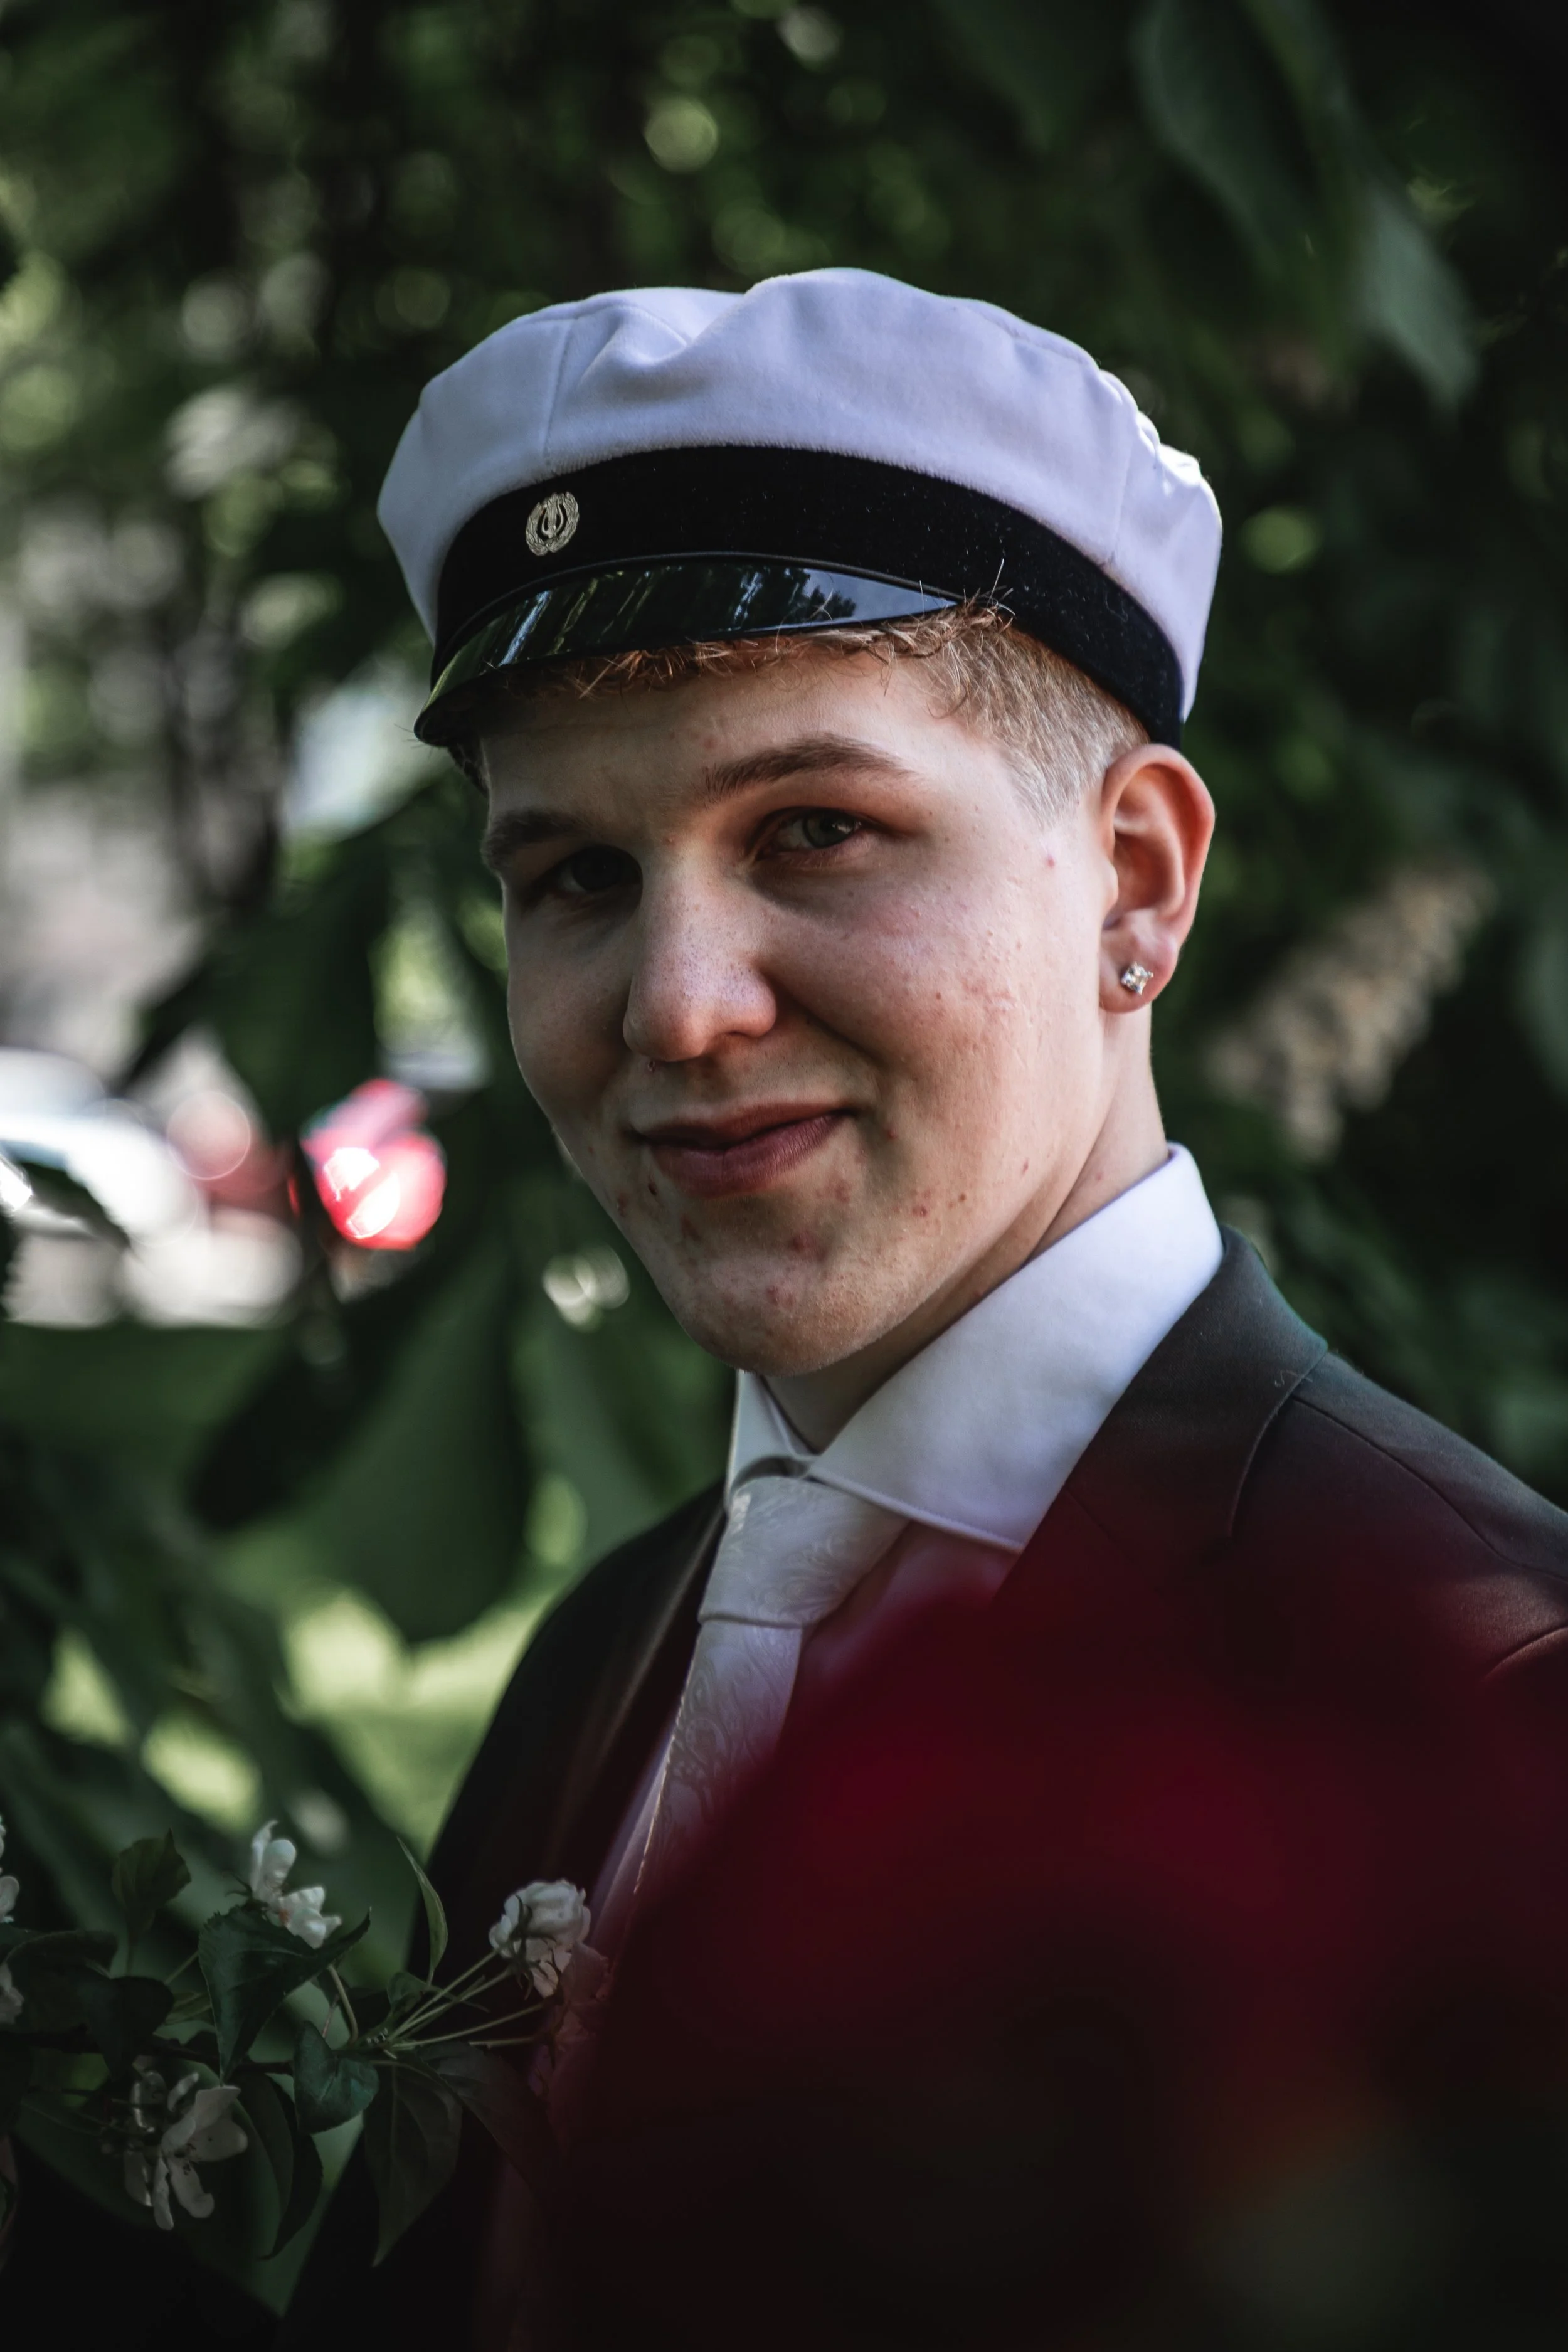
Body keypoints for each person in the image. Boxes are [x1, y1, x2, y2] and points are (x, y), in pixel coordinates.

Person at [281, 270, 1568, 2349]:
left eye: (816, 829)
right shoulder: (609, 1645)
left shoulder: (1488, 1705)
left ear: (1134, 881)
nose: (678, 1007)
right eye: (577, 879)